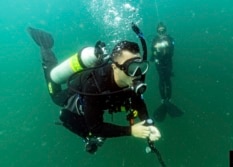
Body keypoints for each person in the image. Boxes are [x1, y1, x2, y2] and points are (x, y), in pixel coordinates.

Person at [27, 27, 161, 154]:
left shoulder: (131, 80)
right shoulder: (95, 86)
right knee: (56, 96)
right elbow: (95, 127)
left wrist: (148, 123)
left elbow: (138, 102)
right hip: (75, 92)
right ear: (115, 67)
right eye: (131, 68)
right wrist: (130, 130)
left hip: (102, 99)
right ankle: (45, 47)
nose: (137, 74)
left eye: (141, 67)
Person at [150, 22, 175, 104]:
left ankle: (169, 98)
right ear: (157, 31)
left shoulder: (170, 39)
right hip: (159, 63)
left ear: (165, 31)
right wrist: (155, 51)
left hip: (168, 62)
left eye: (163, 31)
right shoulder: (155, 40)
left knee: (167, 79)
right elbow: (152, 54)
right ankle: (163, 98)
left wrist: (168, 45)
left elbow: (172, 50)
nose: (161, 33)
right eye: (159, 31)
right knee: (161, 79)